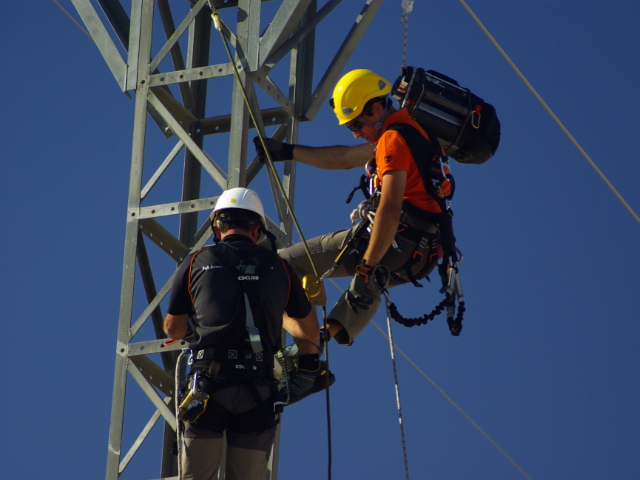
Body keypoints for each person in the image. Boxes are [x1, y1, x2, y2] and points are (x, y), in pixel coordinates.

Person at [254, 68, 454, 355]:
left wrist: (366, 267)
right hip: (420, 255)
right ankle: (314, 348)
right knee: (369, 281)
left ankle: (301, 337)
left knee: (282, 266)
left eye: (355, 125)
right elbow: (343, 157)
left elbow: (390, 207)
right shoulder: (414, 132)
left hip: (398, 241)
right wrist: (287, 151)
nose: (357, 133)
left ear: (375, 109)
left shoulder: (393, 140)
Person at [164, 187, 332, 480]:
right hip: (258, 391)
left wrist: (202, 328)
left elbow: (172, 328)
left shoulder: (196, 261)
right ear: (257, 229)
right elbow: (308, 332)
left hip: (208, 387)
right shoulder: (280, 267)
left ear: (217, 226)